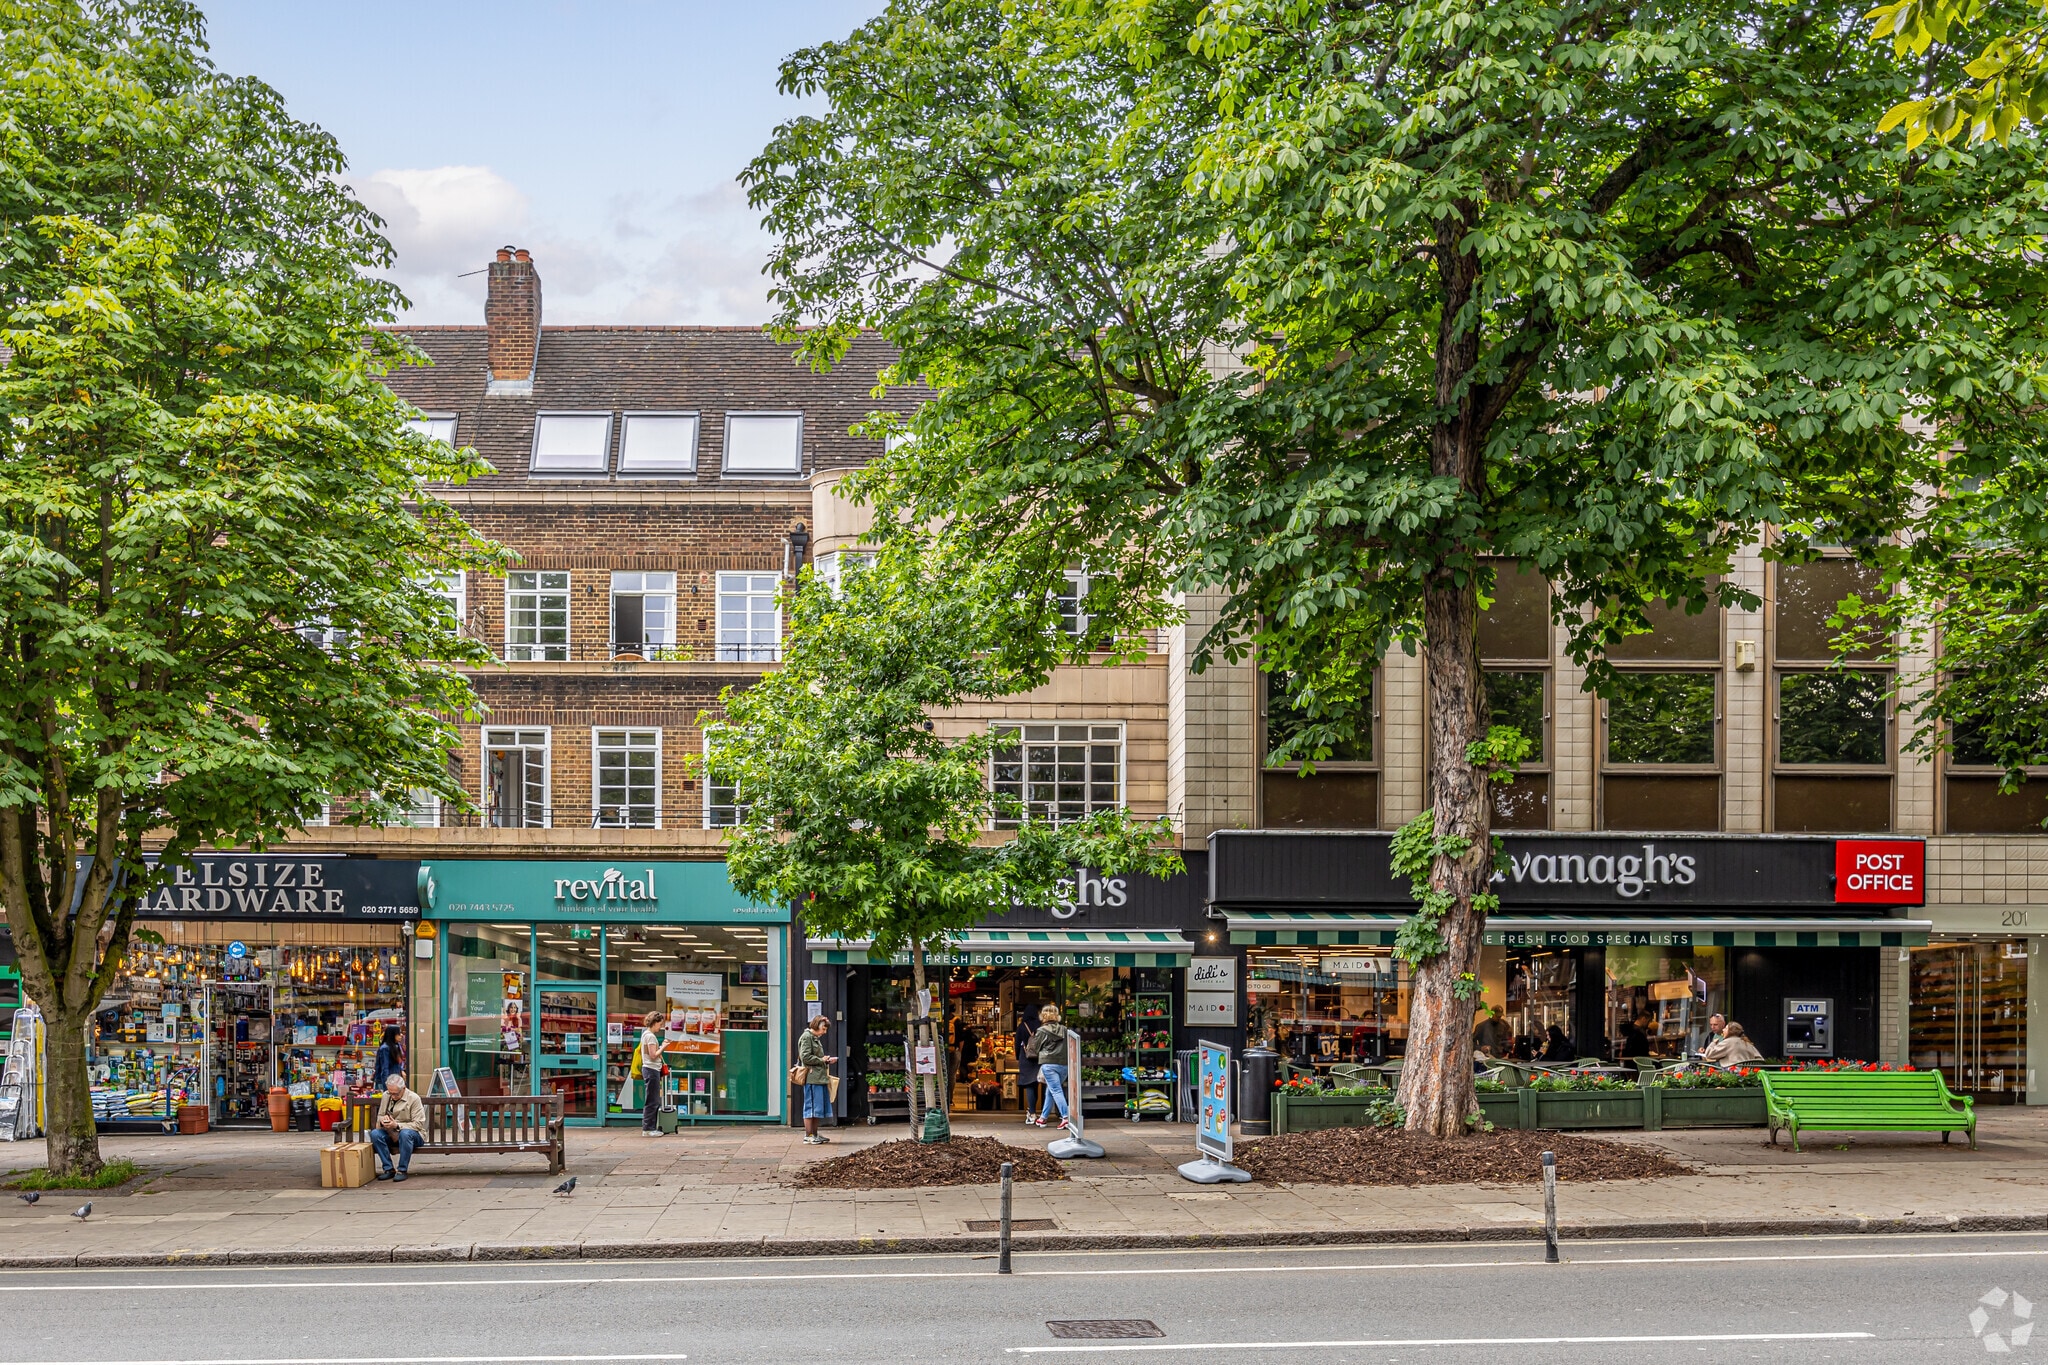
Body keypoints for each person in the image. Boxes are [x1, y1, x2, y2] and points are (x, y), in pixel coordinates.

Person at [369, 1072, 425, 1182]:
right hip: (391, 1133)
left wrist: (397, 1125)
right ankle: (388, 1169)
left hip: (413, 1134)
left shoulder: (414, 1098)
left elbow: (418, 1124)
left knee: (405, 1133)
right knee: (375, 1134)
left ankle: (402, 1170)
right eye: (390, 1093)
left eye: (396, 1094)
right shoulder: (386, 1095)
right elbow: (380, 1115)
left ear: (403, 1088)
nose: (393, 1097)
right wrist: (383, 1121)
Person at [1026, 1004, 1071, 1130]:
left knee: (1055, 1090)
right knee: (1051, 1090)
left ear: (1043, 1016)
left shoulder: (1041, 1031)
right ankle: (1043, 1118)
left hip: (1049, 1064)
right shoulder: (1065, 1029)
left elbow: (1035, 1048)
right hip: (1064, 1064)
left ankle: (1066, 1117)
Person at [798, 1015, 837, 1145]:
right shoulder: (807, 1037)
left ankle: (814, 1134)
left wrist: (826, 1060)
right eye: (823, 1029)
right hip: (812, 1077)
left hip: (818, 1077)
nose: (824, 1032)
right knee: (811, 1108)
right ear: (816, 1026)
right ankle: (808, 1135)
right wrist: (822, 1060)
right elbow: (805, 1057)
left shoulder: (813, 1038)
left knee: (817, 1108)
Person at [639, 1010, 669, 1137]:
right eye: (660, 1024)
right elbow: (653, 1055)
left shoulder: (645, 1034)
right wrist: (663, 1046)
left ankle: (649, 1128)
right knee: (653, 1100)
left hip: (649, 1069)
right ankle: (648, 1129)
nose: (660, 1027)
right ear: (654, 1022)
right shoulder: (650, 1036)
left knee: (652, 1099)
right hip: (651, 1069)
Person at [1013, 1010, 1040, 1119]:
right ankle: (1034, 1110)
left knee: (1029, 1085)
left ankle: (1032, 1112)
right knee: (1036, 1083)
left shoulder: (1022, 1026)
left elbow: (1017, 1043)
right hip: (1038, 1058)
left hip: (1025, 1057)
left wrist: (1017, 1056)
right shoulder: (1040, 1026)